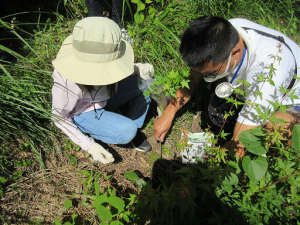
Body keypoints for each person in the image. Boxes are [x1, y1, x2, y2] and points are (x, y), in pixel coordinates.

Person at [154, 16, 300, 157]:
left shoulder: (266, 77)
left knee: (279, 127)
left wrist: (205, 168)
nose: (204, 77)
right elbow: (192, 78)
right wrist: (169, 113)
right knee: (217, 112)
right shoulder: (219, 35)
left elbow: (240, 144)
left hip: (289, 101)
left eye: (210, 73)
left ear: (235, 53)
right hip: (246, 85)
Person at [51, 17, 152, 164]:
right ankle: (123, 128)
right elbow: (59, 116)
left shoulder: (107, 50)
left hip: (109, 94)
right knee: (127, 131)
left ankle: (126, 124)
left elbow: (114, 68)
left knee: (148, 82)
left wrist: (136, 69)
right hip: (86, 110)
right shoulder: (67, 81)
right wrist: (89, 145)